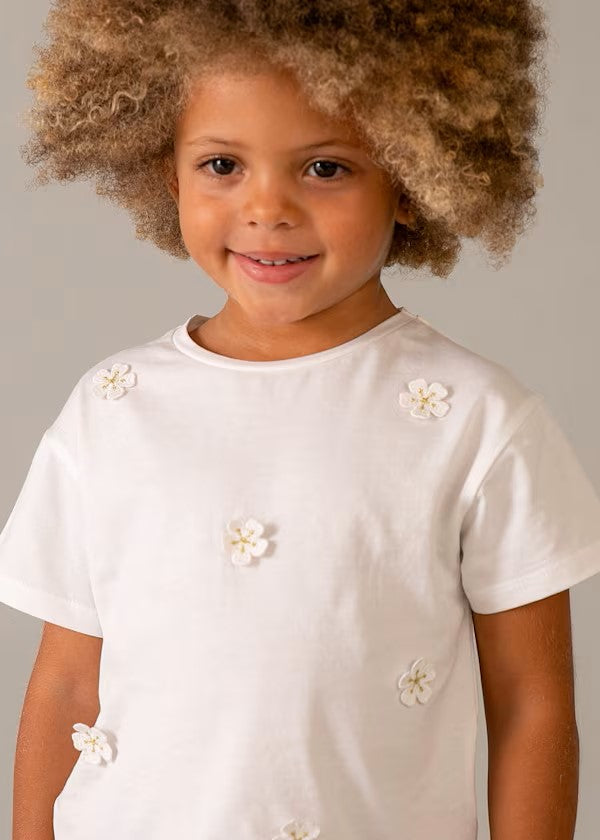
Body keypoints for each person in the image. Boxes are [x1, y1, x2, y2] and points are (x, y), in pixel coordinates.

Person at [1, 2, 599, 839]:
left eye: (324, 168)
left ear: (412, 175)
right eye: (222, 164)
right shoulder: (112, 407)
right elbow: (67, 682)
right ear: (169, 175)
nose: (267, 208)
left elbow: (532, 703)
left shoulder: (478, 420)